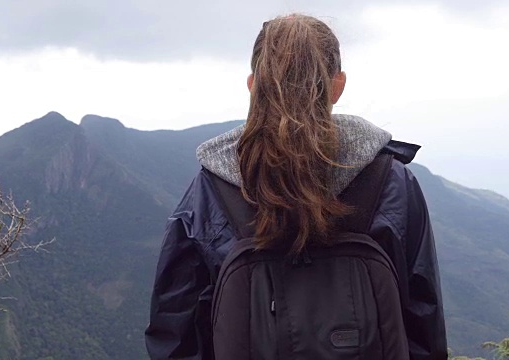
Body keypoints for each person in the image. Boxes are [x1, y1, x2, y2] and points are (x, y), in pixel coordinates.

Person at [145, 14, 447, 360]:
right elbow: (423, 319)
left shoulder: (211, 191)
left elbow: (175, 332)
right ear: (338, 86)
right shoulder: (391, 182)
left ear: (252, 85)